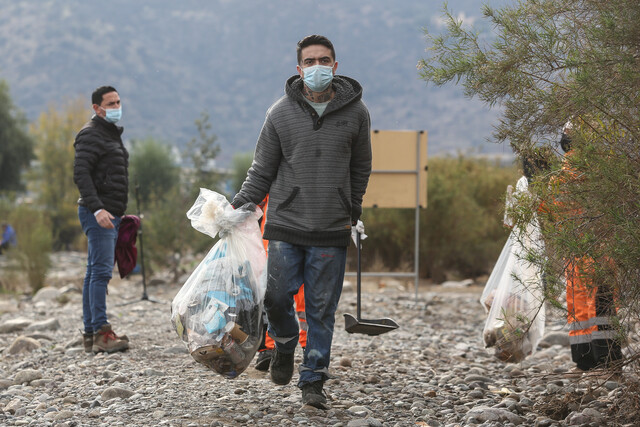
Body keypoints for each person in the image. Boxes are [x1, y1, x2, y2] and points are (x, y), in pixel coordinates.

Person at [232, 35, 371, 409]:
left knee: (322, 310)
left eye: (323, 60)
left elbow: (361, 167)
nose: (317, 67)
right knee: (276, 298)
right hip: (285, 226)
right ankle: (285, 342)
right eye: (310, 62)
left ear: (336, 66)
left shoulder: (357, 114)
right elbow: (262, 170)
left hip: (331, 228)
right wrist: (239, 205)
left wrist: (352, 206)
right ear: (299, 69)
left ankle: (313, 381)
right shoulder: (279, 113)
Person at [556, 123, 622, 372]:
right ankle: (605, 359)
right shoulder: (602, 166)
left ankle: (588, 360)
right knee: (600, 306)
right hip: (597, 250)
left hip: (578, 251)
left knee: (584, 307)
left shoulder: (564, 174)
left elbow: (551, 209)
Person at [73, 85, 129, 354]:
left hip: (111, 212)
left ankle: (90, 334)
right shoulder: (91, 134)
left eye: (118, 101)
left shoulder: (109, 134)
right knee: (101, 273)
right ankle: (101, 333)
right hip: (99, 214)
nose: (117, 107)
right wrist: (98, 209)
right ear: (97, 108)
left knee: (93, 272)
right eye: (111, 103)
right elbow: (81, 174)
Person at [254, 196, 307, 372]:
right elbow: (254, 194)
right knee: (272, 299)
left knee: (305, 300)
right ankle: (269, 349)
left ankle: (309, 349)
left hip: (304, 240)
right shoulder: (272, 170)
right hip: (273, 242)